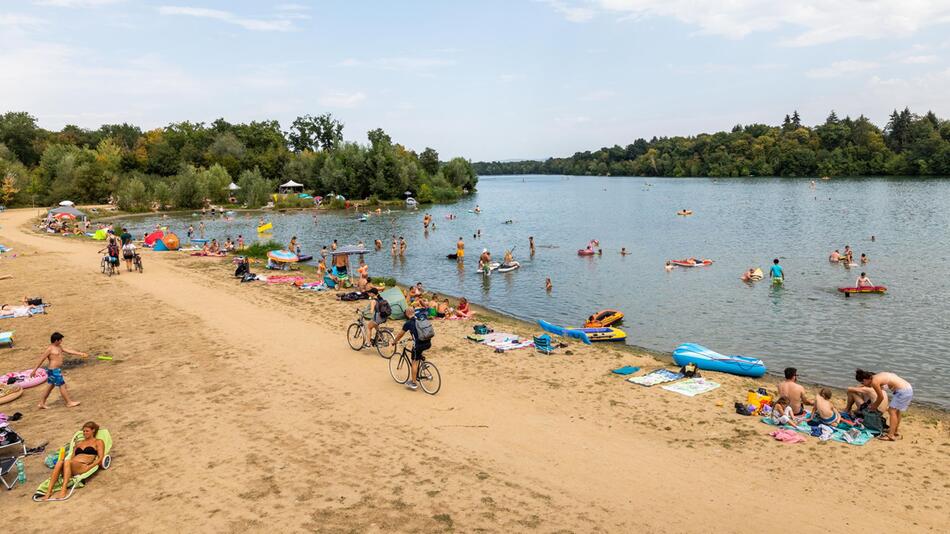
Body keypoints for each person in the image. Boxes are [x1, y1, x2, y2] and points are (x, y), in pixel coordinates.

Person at [41, 421, 105, 501]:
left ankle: (63, 490)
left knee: (67, 461)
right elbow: (72, 457)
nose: (85, 433)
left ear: (93, 430)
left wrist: (89, 467)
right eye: (84, 431)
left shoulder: (98, 442)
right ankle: (49, 492)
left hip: (83, 466)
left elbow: (100, 457)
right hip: (72, 466)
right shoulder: (79, 444)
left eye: (87, 431)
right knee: (60, 462)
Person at [31, 332, 87, 409]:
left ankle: (41, 403)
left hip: (55, 370)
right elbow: (41, 359)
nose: (61, 341)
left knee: (50, 387)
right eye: (60, 340)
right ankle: (69, 402)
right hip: (54, 371)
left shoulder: (59, 347)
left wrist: (80, 353)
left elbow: (69, 351)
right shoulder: (49, 349)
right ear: (56, 340)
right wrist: (34, 370)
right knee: (62, 385)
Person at [856, 369, 913, 441]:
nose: (864, 384)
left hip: (902, 391)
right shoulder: (878, 376)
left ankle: (891, 435)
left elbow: (880, 397)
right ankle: (894, 430)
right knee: (897, 411)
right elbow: (889, 382)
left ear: (865, 379)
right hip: (908, 389)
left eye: (863, 382)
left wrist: (874, 406)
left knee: (892, 411)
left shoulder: (874, 381)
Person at [392, 304, 433, 391]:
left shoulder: (408, 323)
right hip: (428, 342)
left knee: (414, 362)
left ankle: (413, 383)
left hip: (418, 345)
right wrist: (412, 337)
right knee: (418, 356)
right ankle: (422, 366)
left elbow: (400, 334)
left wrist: (394, 341)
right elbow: (420, 331)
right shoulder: (420, 318)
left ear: (407, 314)